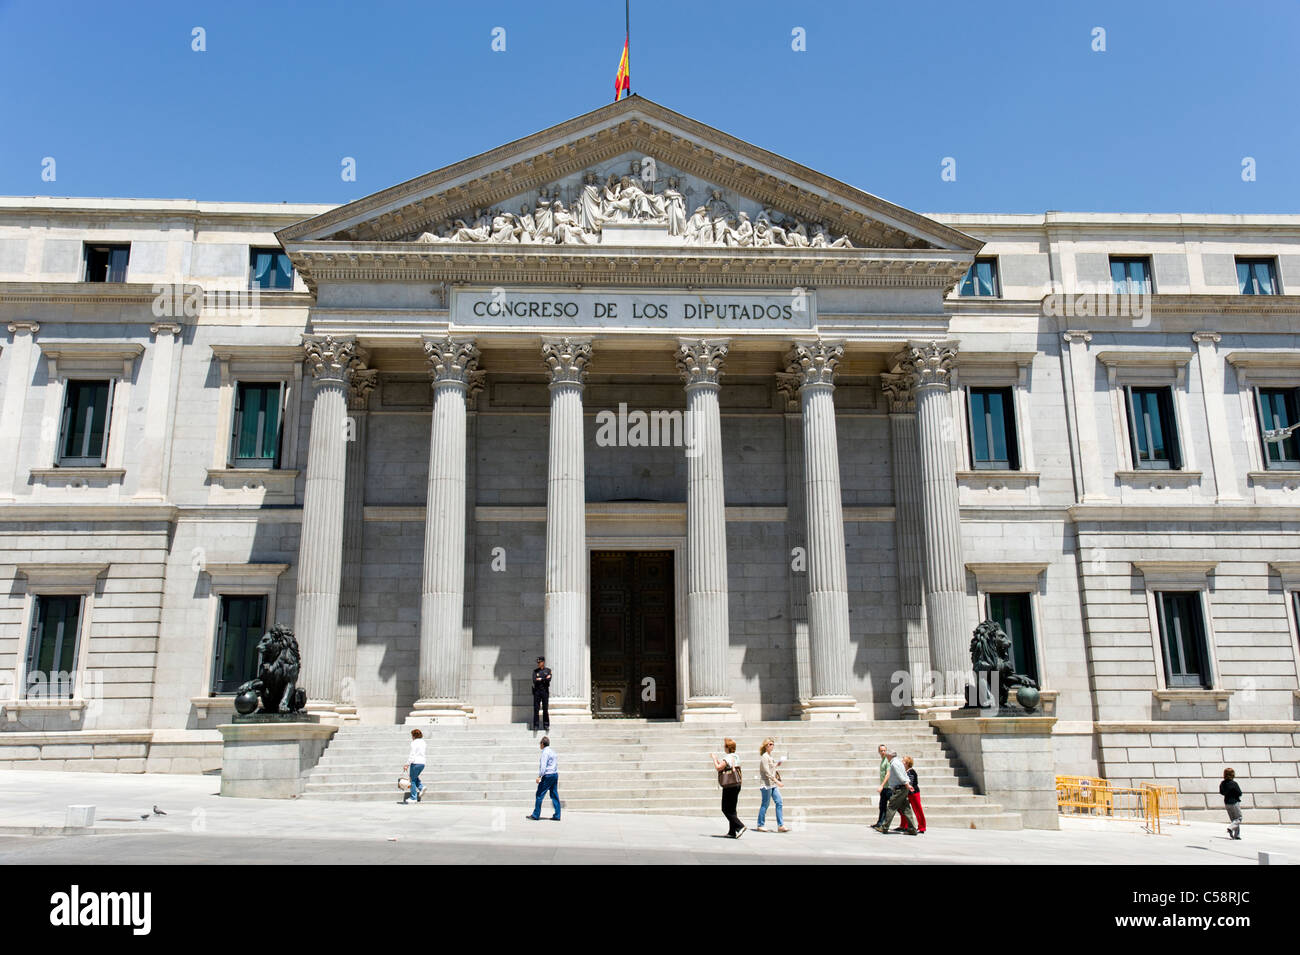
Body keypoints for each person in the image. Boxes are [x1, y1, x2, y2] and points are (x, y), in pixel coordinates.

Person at [873, 749, 918, 834]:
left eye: (887, 755)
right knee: (906, 809)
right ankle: (912, 829)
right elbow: (904, 773)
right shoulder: (898, 762)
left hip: (900, 788)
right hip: (903, 788)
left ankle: (884, 827)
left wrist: (906, 784)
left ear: (890, 755)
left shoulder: (894, 763)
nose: (885, 756)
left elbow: (900, 775)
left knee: (891, 807)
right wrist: (907, 784)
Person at [710, 738, 746, 838]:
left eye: (725, 746)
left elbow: (718, 768)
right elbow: (724, 766)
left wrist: (714, 758)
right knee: (732, 808)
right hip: (737, 783)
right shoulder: (736, 756)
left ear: (728, 747)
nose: (724, 747)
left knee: (725, 808)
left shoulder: (728, 757)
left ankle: (740, 825)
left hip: (729, 785)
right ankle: (732, 831)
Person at [755, 737, 789, 832]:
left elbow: (771, 768)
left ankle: (780, 825)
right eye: (770, 744)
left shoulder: (770, 756)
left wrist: (777, 764)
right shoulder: (765, 757)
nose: (772, 746)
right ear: (766, 746)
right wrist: (777, 781)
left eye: (773, 744)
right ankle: (760, 824)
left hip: (772, 784)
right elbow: (766, 772)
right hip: (766, 784)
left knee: (779, 802)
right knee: (765, 804)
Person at [527, 736, 561, 821]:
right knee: (554, 794)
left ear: (542, 744)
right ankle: (557, 815)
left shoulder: (545, 752)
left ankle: (536, 814)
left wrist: (539, 776)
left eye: (540, 744)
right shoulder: (553, 752)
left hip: (548, 775)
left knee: (539, 794)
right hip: (554, 774)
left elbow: (543, 766)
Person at [895, 755, 926, 834]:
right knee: (904, 809)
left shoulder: (911, 772)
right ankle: (904, 825)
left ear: (907, 763)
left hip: (914, 793)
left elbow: (909, 783)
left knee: (918, 810)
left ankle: (922, 827)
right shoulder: (905, 771)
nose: (902, 762)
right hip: (908, 793)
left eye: (903, 761)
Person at [402, 728, 425, 804]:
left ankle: (413, 797)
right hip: (422, 763)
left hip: (415, 763)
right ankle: (422, 787)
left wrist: (407, 764)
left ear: (414, 736)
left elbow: (412, 755)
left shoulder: (414, 743)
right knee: (414, 777)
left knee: (412, 780)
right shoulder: (423, 742)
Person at [1220, 768, 1243, 840]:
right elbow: (1239, 793)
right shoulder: (1234, 783)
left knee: (1234, 820)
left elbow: (1221, 792)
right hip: (1234, 802)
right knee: (1239, 818)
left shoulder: (1222, 783)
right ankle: (1230, 828)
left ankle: (1237, 835)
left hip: (1227, 803)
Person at [874, 743, 892, 828]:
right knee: (882, 806)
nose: (883, 752)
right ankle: (880, 822)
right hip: (884, 788)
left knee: (896, 807)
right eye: (881, 751)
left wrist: (882, 785)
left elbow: (888, 774)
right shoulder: (883, 760)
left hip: (888, 788)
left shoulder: (887, 761)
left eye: (884, 750)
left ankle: (906, 823)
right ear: (879, 751)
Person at [531, 656, 551, 731]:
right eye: (538, 662)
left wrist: (541, 679)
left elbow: (549, 680)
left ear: (543, 662)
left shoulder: (548, 670)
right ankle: (536, 725)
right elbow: (534, 681)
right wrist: (544, 679)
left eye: (539, 662)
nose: (538, 664)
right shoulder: (535, 671)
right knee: (536, 709)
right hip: (537, 692)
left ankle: (546, 725)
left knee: (545, 708)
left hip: (545, 692)